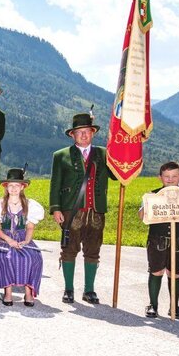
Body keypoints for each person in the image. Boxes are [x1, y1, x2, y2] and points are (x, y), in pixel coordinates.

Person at [50, 112, 109, 305]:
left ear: (93, 133)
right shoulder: (61, 156)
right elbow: (55, 184)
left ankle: (89, 290)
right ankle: (68, 289)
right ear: (72, 135)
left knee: (93, 251)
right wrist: (56, 208)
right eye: (79, 132)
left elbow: (119, 174)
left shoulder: (104, 154)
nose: (83, 135)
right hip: (70, 210)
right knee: (69, 249)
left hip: (96, 210)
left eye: (87, 131)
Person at [0, 168, 44, 307]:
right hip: (5, 237)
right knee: (7, 257)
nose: (14, 188)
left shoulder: (30, 204)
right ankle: (8, 292)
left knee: (33, 256)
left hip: (22, 237)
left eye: (17, 185)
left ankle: (28, 292)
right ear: (6, 187)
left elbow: (30, 227)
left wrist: (27, 241)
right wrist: (8, 240)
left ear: (22, 187)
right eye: (11, 185)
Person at [141, 161, 179, 318]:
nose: (170, 179)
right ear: (160, 177)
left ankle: (174, 306)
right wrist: (146, 206)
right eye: (166, 176)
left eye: (174, 176)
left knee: (175, 273)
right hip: (156, 239)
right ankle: (153, 305)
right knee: (156, 271)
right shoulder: (153, 195)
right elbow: (142, 217)